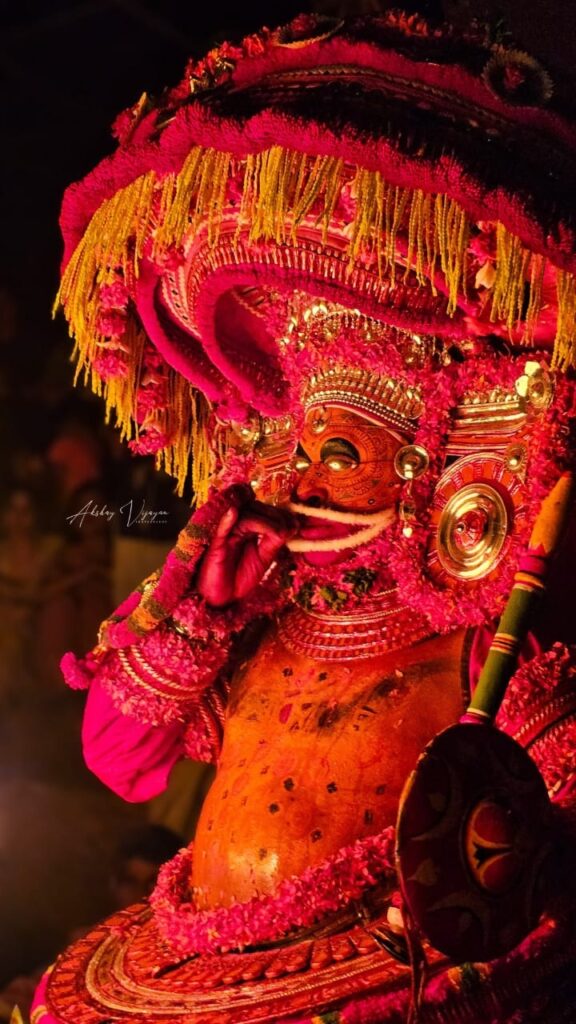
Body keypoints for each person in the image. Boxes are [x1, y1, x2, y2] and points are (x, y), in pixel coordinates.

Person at [34, 9, 576, 1023]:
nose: (305, 481)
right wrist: (195, 616)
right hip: (207, 966)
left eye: (339, 455)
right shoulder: (261, 617)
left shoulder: (484, 648)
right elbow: (118, 761)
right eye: (298, 449)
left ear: (425, 469)